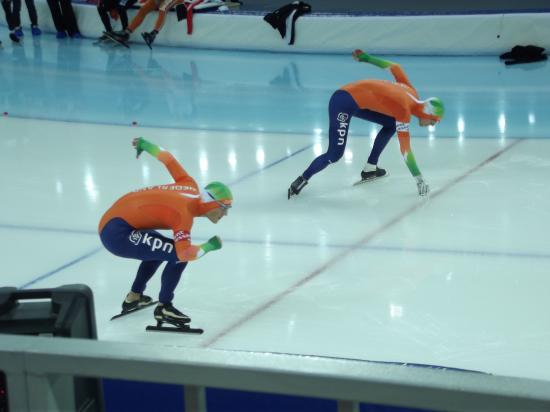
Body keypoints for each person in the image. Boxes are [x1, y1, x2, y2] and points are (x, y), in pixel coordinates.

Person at [98, 137, 232, 325]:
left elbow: (168, 159)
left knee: (159, 250)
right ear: (211, 203)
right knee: (177, 256)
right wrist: (210, 246)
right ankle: (164, 307)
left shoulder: (190, 184)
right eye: (224, 208)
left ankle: (134, 297)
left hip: (117, 220)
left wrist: (145, 145)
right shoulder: (183, 214)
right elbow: (185, 254)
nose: (225, 214)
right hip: (116, 233)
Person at [288, 50, 445, 199]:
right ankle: (301, 180)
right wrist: (419, 179)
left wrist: (367, 58)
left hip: (354, 101)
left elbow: (395, 67)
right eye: (433, 121)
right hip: (342, 103)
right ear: (427, 113)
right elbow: (405, 150)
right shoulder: (404, 110)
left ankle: (370, 168)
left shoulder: (412, 92)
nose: (431, 125)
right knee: (334, 154)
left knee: (391, 123)